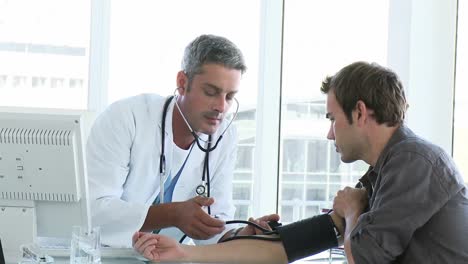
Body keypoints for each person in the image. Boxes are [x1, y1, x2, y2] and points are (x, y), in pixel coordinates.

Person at [132, 61, 468, 263]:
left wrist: (352, 212)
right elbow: (288, 247)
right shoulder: (386, 170)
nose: (330, 135)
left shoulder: (414, 162)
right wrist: (185, 254)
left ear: (360, 113)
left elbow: (361, 258)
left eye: (332, 118)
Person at [86, 34, 278, 247]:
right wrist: (173, 214)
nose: (221, 107)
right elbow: (96, 211)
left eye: (230, 97)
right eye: (211, 92)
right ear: (182, 83)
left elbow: (216, 221)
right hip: (106, 256)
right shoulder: (126, 118)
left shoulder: (226, 136)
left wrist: (241, 234)